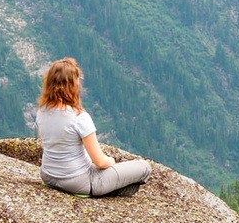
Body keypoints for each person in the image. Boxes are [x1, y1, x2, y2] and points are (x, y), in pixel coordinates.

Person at [36, 57, 152, 197]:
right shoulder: (79, 117)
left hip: (48, 176)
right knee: (144, 167)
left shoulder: (41, 112)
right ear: (72, 84)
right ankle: (114, 191)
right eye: (77, 80)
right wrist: (112, 161)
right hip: (78, 182)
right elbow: (100, 162)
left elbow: (46, 143)